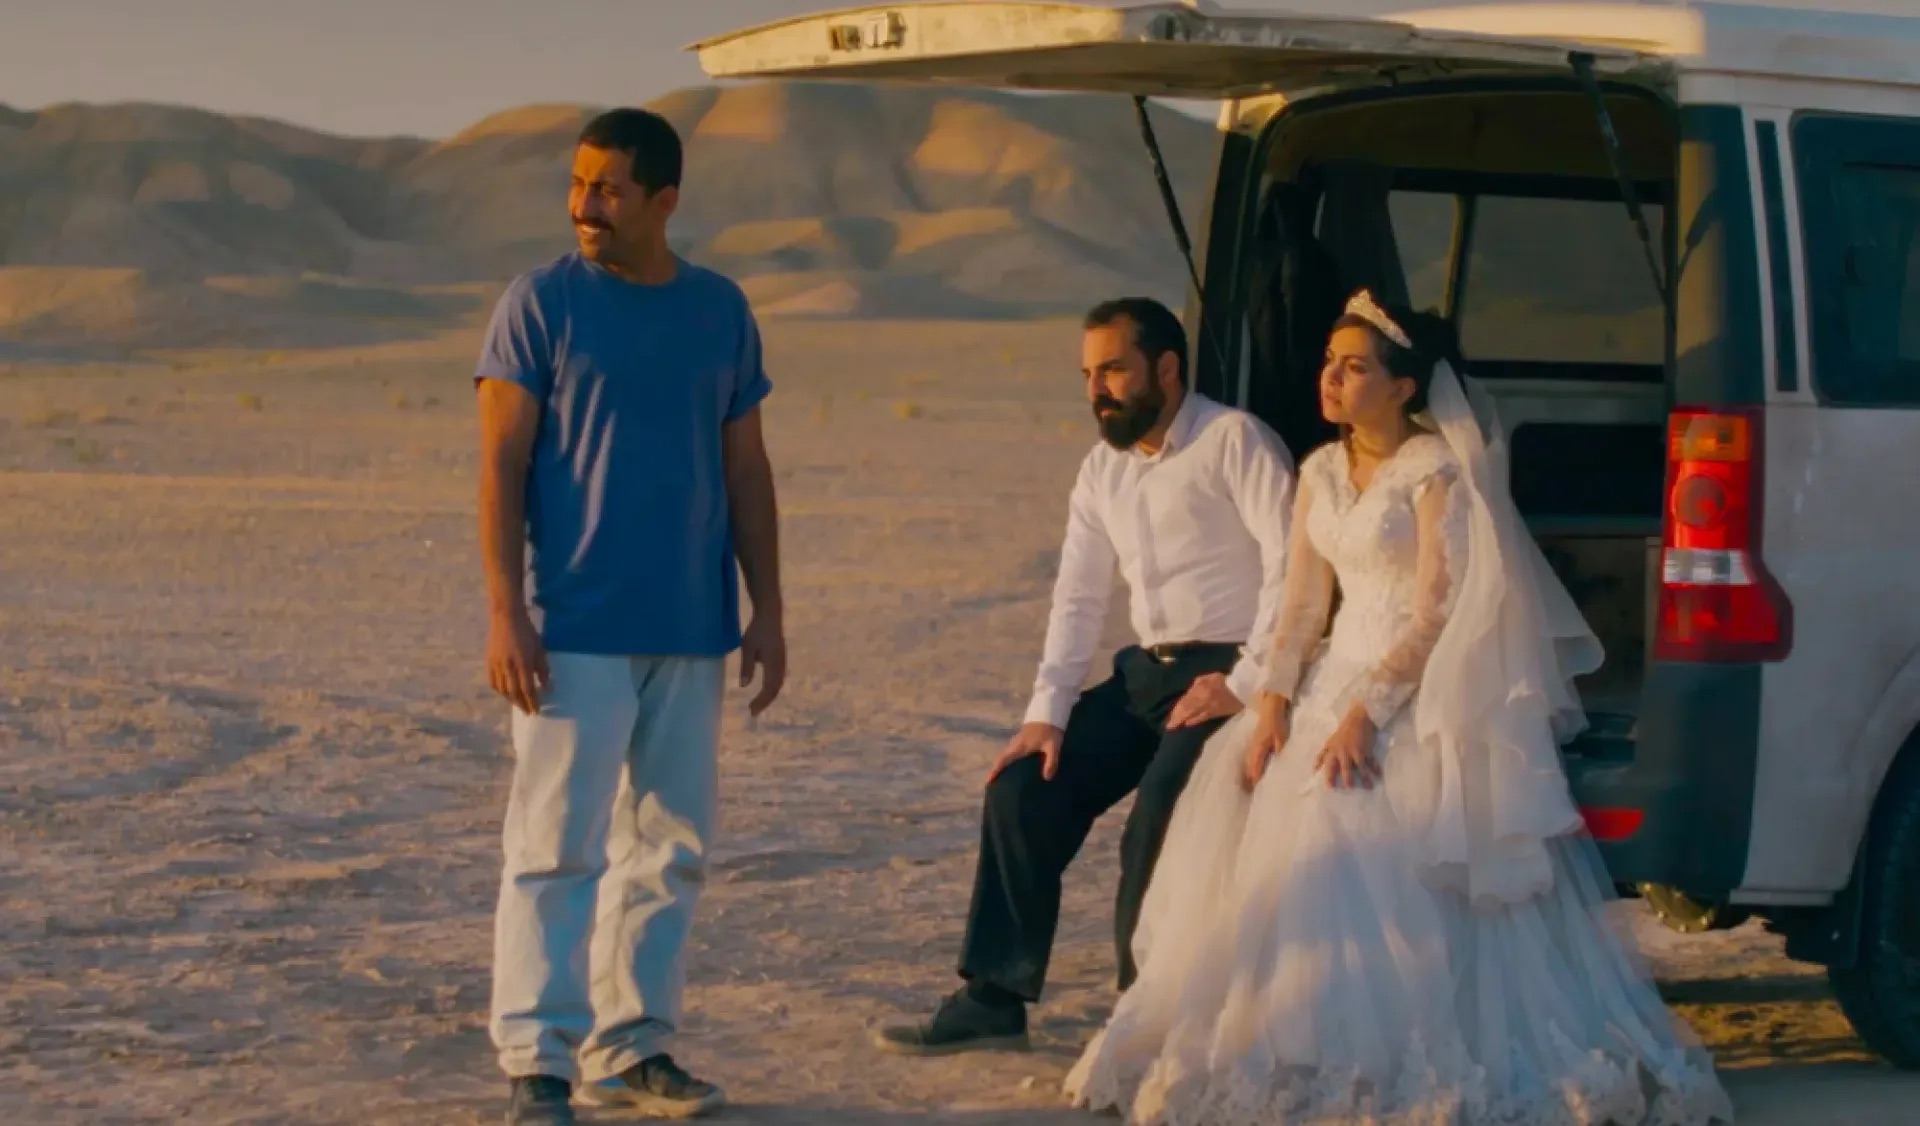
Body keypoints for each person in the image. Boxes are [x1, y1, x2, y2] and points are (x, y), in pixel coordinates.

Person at [1065, 290, 1733, 1124]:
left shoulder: (1435, 475)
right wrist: (1272, 698)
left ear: (1404, 387)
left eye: (1354, 367)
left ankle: (1393, 1046)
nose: (1332, 380)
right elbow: (1305, 608)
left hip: (1411, 691)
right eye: (1328, 364)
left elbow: (1435, 613)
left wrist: (1366, 713)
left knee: (1363, 812)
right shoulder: (1316, 471)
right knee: (1255, 793)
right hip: (1327, 675)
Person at [877, 298, 1296, 1056]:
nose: (1096, 389)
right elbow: (1078, 597)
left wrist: (1247, 679)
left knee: (1155, 824)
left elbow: (1290, 571)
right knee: (1021, 790)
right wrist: (1048, 713)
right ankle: (994, 998)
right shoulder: (1102, 470)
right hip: (1148, 676)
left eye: (1112, 370)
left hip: (1230, 674)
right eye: (1087, 374)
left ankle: (1144, 1023)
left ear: (1166, 370)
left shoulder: (1236, 441)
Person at [475, 108, 784, 1125]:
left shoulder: (719, 310)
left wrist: (767, 608)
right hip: (573, 623)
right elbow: (500, 461)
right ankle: (537, 1062)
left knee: (670, 843)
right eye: (577, 184)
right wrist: (504, 613)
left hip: (692, 625)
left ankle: (632, 1045)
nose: (583, 205)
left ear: (664, 201)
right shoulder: (540, 304)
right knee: (556, 844)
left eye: (606, 188)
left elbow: (746, 465)